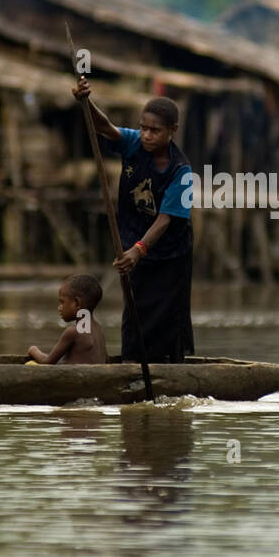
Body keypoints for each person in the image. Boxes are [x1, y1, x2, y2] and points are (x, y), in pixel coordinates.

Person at [73, 76, 195, 363]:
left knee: (168, 312)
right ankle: (133, 362)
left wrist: (139, 249)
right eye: (143, 128)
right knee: (136, 309)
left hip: (170, 253)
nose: (147, 135)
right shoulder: (133, 145)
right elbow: (104, 127)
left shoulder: (182, 171)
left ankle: (168, 366)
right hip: (134, 245)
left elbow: (166, 219)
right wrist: (85, 101)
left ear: (172, 131)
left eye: (155, 130)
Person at [27, 273, 108, 365]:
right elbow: (106, 360)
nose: (59, 307)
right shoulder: (99, 329)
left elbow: (47, 362)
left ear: (77, 303)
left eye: (62, 302)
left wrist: (33, 350)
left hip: (78, 378)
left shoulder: (73, 332)